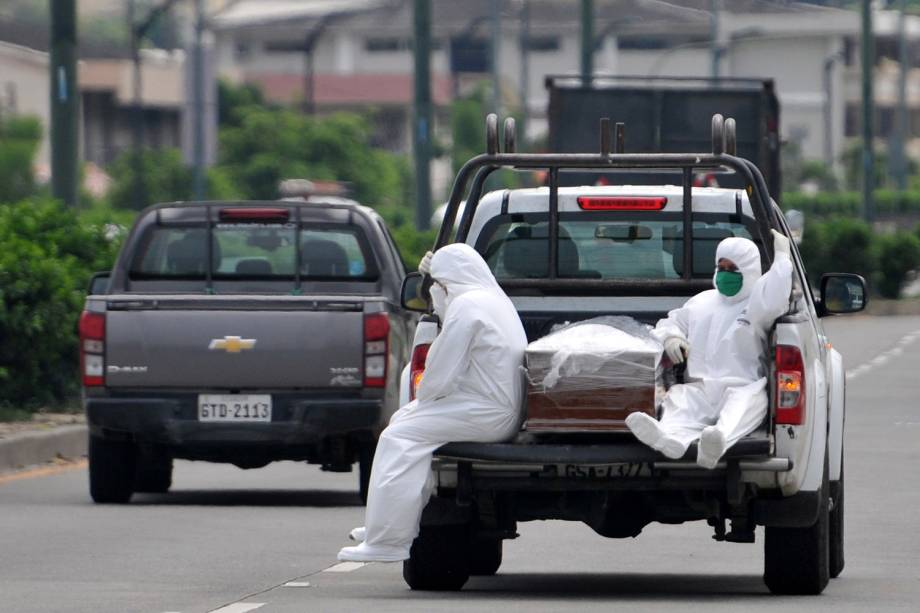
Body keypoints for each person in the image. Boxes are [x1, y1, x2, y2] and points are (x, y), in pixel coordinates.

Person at [338, 243, 528, 562]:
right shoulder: (490, 300)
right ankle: (384, 525)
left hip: (486, 412)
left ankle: (388, 543)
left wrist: (426, 395)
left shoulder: (467, 308)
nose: (434, 293)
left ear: (446, 283)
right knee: (403, 423)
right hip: (490, 407)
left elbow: (436, 378)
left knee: (397, 437)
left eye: (436, 285)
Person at [626, 230, 793, 469]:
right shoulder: (701, 301)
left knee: (745, 407)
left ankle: (716, 443)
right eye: (721, 267)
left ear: (749, 270)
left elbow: (776, 293)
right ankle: (669, 439)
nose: (725, 274)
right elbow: (671, 323)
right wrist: (672, 337)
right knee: (679, 401)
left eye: (733, 269)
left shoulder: (757, 303)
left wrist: (782, 258)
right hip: (701, 386)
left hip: (742, 385)